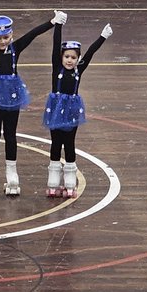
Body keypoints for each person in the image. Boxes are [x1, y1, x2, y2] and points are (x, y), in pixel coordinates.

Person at [0, 9, 63, 197]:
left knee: (11, 135)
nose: (2, 41)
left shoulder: (16, 48)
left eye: (5, 37)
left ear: (11, 35)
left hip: (12, 96)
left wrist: (52, 22)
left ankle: (11, 171)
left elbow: (33, 33)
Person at [44, 16, 113, 199]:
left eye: (73, 57)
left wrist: (102, 37)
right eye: (66, 56)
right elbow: (55, 43)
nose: (69, 60)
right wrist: (58, 24)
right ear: (61, 57)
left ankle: (69, 178)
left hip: (72, 110)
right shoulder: (56, 68)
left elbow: (91, 52)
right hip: (56, 109)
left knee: (70, 143)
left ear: (78, 59)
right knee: (55, 143)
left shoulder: (78, 71)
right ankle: (53, 177)